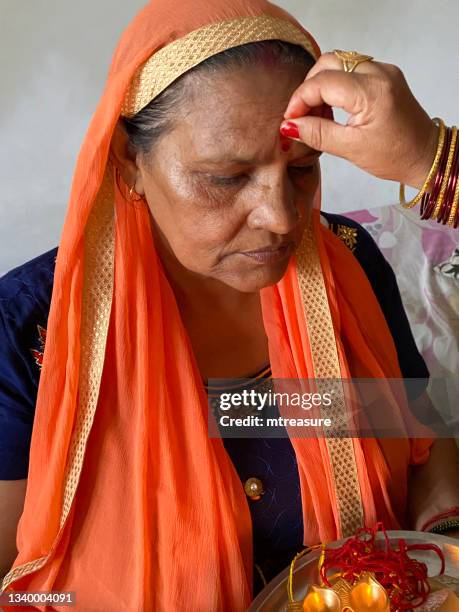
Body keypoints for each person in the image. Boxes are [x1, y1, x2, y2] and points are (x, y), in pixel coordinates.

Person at [0, 0, 458, 609]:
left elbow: (417, 437)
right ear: (128, 159)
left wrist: (444, 544)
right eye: (226, 177)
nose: (281, 219)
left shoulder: (345, 266)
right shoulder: (34, 336)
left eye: (302, 170)